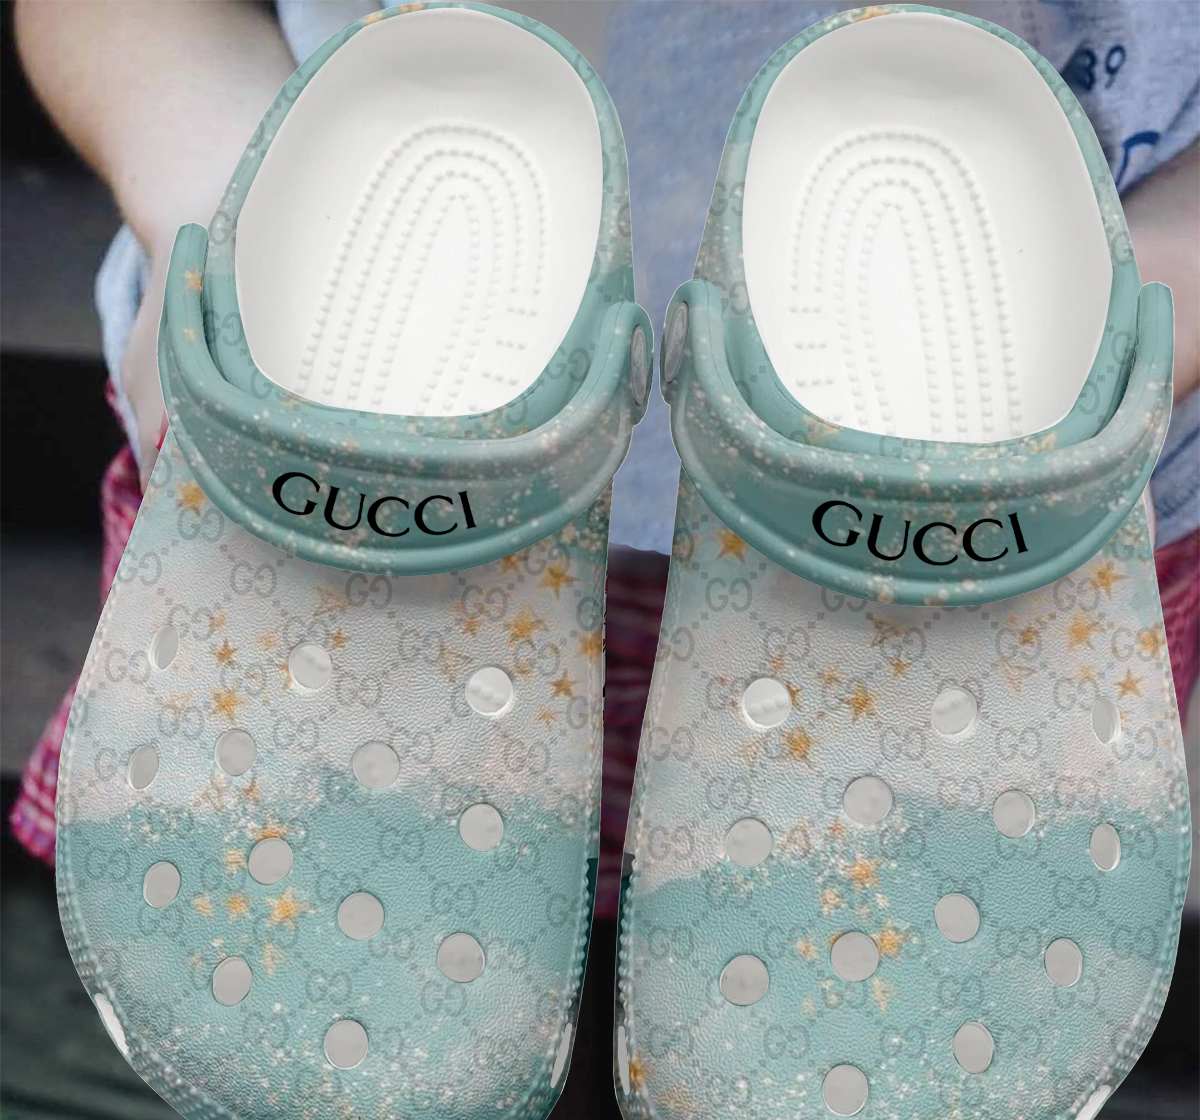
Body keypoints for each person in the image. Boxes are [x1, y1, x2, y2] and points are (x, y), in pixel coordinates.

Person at [12, 2, 1198, 927]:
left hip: (1015, 536)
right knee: (403, 1060)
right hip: (344, 466)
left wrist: (1129, 315)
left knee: (834, 1086)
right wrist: (218, 200)